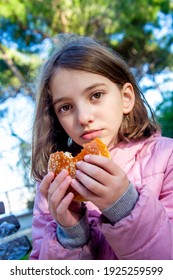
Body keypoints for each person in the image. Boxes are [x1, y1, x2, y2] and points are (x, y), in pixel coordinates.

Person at [29, 34, 173, 260]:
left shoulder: (167, 158)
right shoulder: (51, 187)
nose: (84, 117)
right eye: (66, 107)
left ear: (126, 97)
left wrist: (125, 207)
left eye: (96, 95)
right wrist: (71, 234)